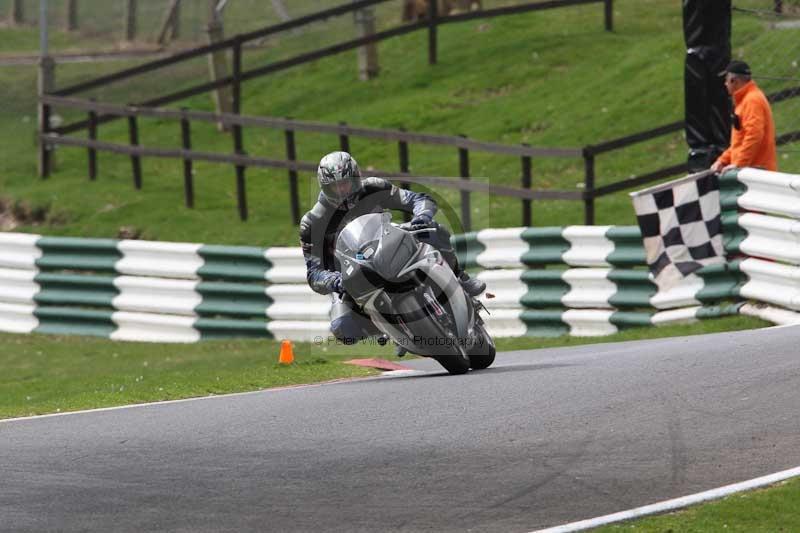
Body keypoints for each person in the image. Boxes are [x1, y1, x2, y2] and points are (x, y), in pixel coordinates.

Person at [300, 151, 485, 346]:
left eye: (345, 183)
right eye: (335, 187)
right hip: (351, 276)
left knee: (433, 231)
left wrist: (421, 217)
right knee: (344, 329)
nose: (341, 191)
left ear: (356, 178)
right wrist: (334, 280)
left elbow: (418, 199)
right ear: (325, 188)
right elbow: (314, 273)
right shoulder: (313, 223)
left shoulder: (373, 187)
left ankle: (460, 277)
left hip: (387, 244)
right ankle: (389, 328)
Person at [710, 60, 777, 174]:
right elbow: (739, 141)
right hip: (751, 171)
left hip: (756, 175)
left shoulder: (752, 101)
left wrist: (739, 164)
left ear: (733, 81)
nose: (725, 84)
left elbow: (754, 135)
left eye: (726, 80)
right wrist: (723, 160)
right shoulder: (747, 99)